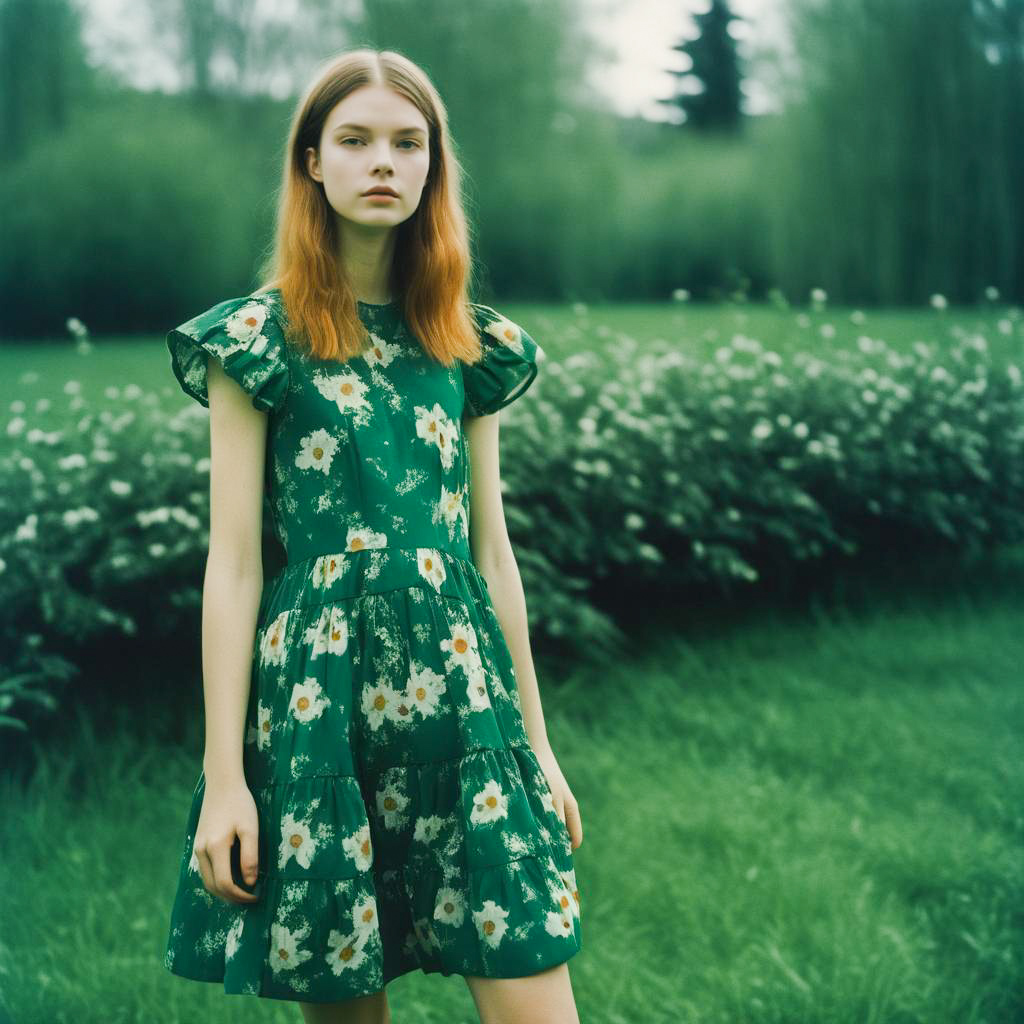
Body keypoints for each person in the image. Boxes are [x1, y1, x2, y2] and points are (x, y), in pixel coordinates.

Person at [161, 47, 583, 1024]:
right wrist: (226, 778)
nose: (382, 161)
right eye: (354, 140)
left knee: (532, 980)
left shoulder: (463, 339)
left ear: (434, 164)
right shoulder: (256, 342)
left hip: (464, 703)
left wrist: (537, 746)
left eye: (407, 142)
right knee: (348, 1000)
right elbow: (231, 567)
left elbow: (491, 553)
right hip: (320, 709)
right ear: (312, 160)